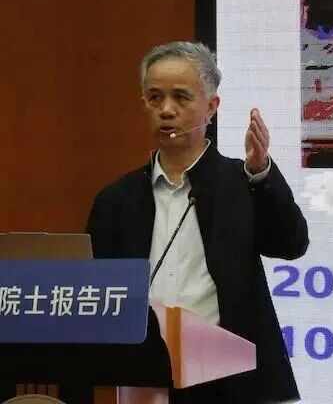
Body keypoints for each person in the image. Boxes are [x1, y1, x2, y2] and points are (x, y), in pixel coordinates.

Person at [86, 41, 309, 404]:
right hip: (146, 378)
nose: (166, 110)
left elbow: (291, 244)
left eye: (181, 97)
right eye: (155, 98)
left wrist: (261, 173)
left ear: (212, 106)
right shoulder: (116, 200)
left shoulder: (244, 182)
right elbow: (97, 293)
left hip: (234, 379)